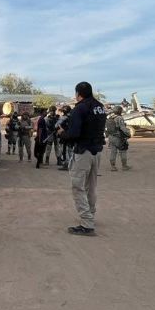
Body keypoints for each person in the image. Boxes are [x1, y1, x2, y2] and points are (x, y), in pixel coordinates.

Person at [59, 82, 107, 236]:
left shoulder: (80, 108)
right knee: (91, 186)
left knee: (78, 187)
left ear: (78, 93)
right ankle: (90, 215)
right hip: (97, 151)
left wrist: (62, 133)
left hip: (83, 152)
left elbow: (74, 134)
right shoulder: (99, 106)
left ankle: (87, 224)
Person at [105, 105, 132, 171]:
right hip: (119, 138)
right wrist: (128, 134)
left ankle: (113, 167)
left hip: (111, 137)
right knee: (123, 151)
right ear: (120, 111)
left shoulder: (110, 117)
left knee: (113, 152)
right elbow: (123, 128)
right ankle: (124, 166)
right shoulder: (119, 118)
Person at [56, 105, 73, 170]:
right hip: (71, 136)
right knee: (70, 151)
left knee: (64, 151)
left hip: (65, 137)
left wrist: (60, 129)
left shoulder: (63, 118)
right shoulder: (73, 117)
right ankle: (71, 165)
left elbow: (56, 125)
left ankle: (66, 165)